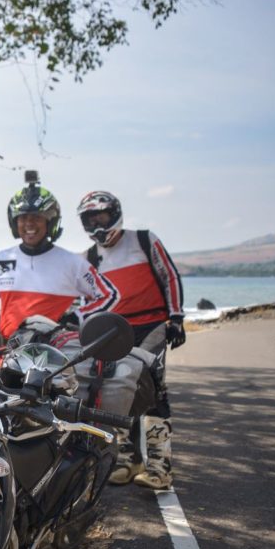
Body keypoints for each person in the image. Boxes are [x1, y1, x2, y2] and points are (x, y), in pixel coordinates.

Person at [77, 190, 185, 490]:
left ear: (115, 214)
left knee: (152, 388)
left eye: (102, 217)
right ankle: (128, 459)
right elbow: (87, 299)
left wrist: (176, 318)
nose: (98, 225)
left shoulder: (143, 240)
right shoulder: (89, 258)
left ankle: (160, 467)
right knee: (118, 393)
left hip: (152, 324)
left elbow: (169, 276)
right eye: (90, 219)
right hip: (114, 331)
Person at [0, 172, 120, 342]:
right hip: (9, 355)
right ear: (14, 222)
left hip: (58, 357)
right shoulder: (1, 260)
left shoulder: (72, 262)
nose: (29, 223)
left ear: (50, 222)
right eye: (23, 217)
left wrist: (75, 318)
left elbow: (110, 295)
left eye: (36, 217)